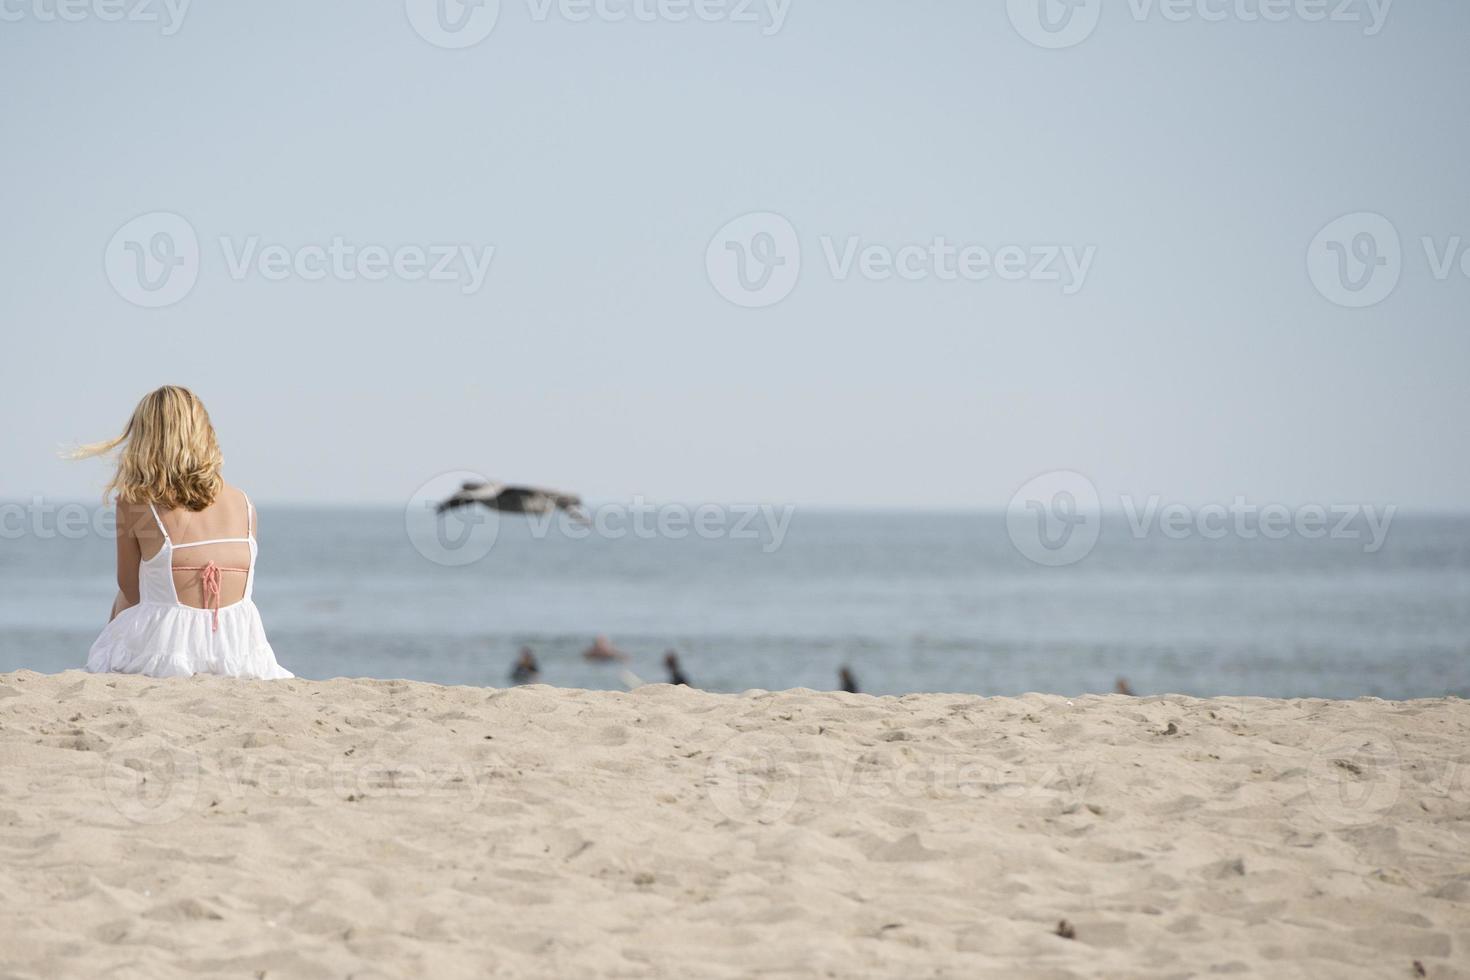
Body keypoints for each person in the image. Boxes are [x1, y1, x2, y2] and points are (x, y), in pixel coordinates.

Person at [74, 386, 292, 680]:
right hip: (240, 651)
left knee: (123, 601)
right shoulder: (244, 503)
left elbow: (130, 590)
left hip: (168, 651)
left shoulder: (135, 504)